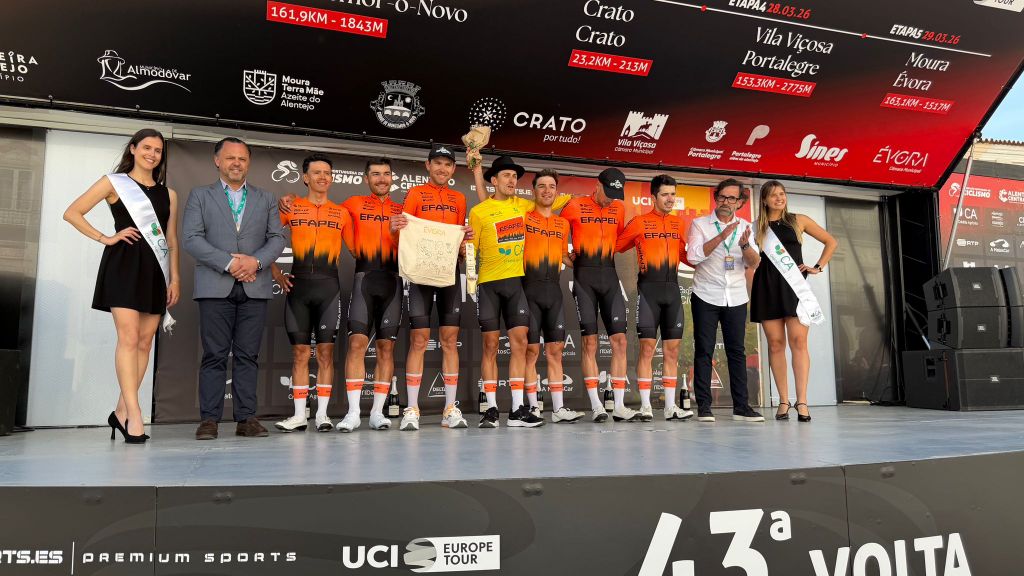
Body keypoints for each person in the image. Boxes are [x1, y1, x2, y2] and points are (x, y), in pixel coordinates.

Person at [63, 128, 179, 443]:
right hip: (124, 266)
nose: (152, 154)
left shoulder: (169, 194)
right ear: (133, 149)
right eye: (147, 148)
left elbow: (170, 239)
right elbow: (72, 213)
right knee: (128, 338)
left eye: (158, 150)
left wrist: (175, 277)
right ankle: (135, 414)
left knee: (144, 343)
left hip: (155, 271)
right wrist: (106, 237)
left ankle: (120, 411)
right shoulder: (114, 183)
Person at [182, 137, 286, 440]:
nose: (236, 163)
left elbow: (277, 238)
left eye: (242, 158)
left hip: (255, 286)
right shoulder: (200, 195)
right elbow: (191, 238)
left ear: (248, 163)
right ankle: (209, 420)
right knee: (214, 355)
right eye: (230, 158)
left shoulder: (266, 198)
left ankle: (246, 419)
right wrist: (230, 264)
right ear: (217, 161)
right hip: (215, 286)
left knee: (248, 355)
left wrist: (255, 262)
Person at [469, 155, 570, 428]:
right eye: (506, 175)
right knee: (490, 346)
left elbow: (552, 200)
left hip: (516, 284)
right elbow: (470, 249)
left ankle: (516, 410)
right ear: (494, 180)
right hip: (489, 284)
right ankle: (491, 409)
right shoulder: (479, 212)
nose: (512, 180)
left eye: (515, 176)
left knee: (521, 344)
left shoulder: (525, 206)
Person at [388, 145, 472, 431]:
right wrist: (396, 227)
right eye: (437, 163)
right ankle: (412, 408)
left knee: (450, 340)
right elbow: (404, 232)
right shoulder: (415, 194)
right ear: (427, 165)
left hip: (449, 274)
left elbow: (458, 242)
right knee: (419, 340)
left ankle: (450, 409)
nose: (442, 169)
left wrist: (465, 241)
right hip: (420, 274)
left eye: (447, 164)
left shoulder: (459, 198)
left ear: (453, 169)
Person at [750, 180, 838, 423]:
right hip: (767, 286)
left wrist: (818, 267)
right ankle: (783, 400)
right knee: (775, 344)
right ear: (764, 200)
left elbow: (831, 241)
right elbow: (749, 259)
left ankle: (802, 401)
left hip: (794, 286)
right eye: (773, 195)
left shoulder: (799, 220)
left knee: (799, 342)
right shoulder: (756, 226)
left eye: (782, 194)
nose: (779, 198)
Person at [272, 153, 346, 433]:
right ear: (305, 177)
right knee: (300, 354)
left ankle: (323, 415)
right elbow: (264, 240)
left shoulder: (341, 213)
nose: (322, 177)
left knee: (326, 353)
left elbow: (360, 246)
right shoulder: (290, 207)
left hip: (329, 288)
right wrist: (276, 273)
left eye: (327, 172)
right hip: (299, 287)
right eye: (316, 172)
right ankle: (299, 416)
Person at [561, 168, 636, 422]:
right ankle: (596, 406)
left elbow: (621, 239)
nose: (611, 200)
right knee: (590, 343)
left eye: (616, 195)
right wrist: (566, 257)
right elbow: (555, 232)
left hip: (610, 277)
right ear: (597, 185)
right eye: (608, 193)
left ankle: (620, 406)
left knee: (620, 342)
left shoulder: (619, 208)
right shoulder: (574, 206)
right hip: (585, 279)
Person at [686, 178, 763, 423]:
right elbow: (693, 257)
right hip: (706, 294)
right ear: (715, 198)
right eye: (722, 197)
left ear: (740, 202)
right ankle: (704, 407)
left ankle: (741, 407)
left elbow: (754, 262)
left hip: (736, 296)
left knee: (737, 352)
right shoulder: (700, 224)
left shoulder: (746, 227)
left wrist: (745, 246)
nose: (726, 202)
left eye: (731, 198)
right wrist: (722, 236)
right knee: (704, 350)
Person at [616, 174, 690, 422]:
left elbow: (687, 255)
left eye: (673, 194)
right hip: (648, 292)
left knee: (672, 351)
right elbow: (616, 245)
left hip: (673, 292)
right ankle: (646, 406)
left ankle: (670, 407)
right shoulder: (639, 222)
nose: (670, 199)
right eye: (665, 194)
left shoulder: (678, 223)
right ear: (653, 196)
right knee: (647, 349)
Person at [522, 169, 582, 423]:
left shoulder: (562, 223)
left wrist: (581, 261)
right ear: (534, 190)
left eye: (552, 187)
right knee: (531, 351)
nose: (547, 191)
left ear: (556, 192)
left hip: (554, 291)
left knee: (556, 350)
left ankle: (558, 409)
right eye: (542, 186)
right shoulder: (523, 217)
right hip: (528, 290)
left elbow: (563, 257)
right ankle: (533, 407)